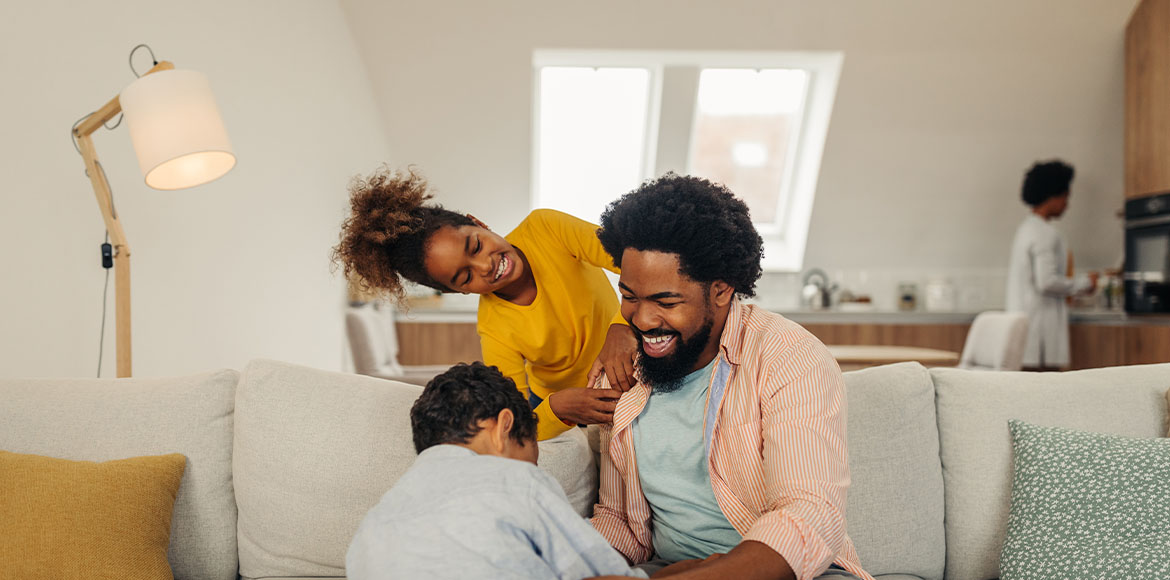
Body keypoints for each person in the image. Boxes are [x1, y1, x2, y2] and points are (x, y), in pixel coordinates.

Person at [588, 174, 873, 580]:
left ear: (720, 290)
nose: (643, 318)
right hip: (671, 569)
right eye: (630, 296)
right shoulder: (623, 373)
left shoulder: (788, 356)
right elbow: (620, 522)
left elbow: (809, 513)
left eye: (665, 301)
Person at [334, 167, 639, 441]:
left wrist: (620, 327)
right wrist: (560, 408)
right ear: (457, 292)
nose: (484, 267)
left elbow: (635, 262)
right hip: (556, 400)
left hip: (623, 356)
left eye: (476, 245)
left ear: (478, 223)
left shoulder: (546, 228)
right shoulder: (493, 328)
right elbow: (518, 422)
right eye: (465, 277)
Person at [346, 362, 647, 580]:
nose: (529, 468)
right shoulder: (515, 481)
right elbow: (607, 573)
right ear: (504, 427)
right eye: (528, 457)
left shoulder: (372, 525)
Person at [1005, 160, 1097, 371]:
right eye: (1066, 197)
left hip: (1025, 327)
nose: (1067, 204)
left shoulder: (1026, 229)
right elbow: (1046, 281)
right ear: (1054, 196)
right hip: (1039, 334)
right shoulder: (1044, 233)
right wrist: (1084, 283)